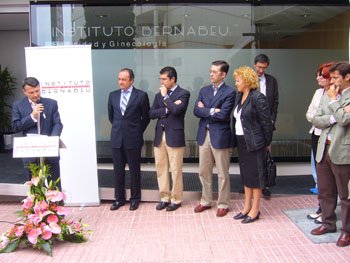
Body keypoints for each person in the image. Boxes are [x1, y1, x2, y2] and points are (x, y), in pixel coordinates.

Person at [311, 62, 350, 247]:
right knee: (325, 191)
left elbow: (346, 119)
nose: (331, 81)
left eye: (335, 77)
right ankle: (327, 223)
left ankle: (347, 231)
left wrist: (335, 105)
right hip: (323, 148)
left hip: (343, 150)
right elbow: (317, 120)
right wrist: (335, 115)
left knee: (345, 195)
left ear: (347, 77)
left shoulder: (335, 96)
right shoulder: (329, 93)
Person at [193, 60, 235, 217]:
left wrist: (206, 110)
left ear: (223, 74)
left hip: (220, 136)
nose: (211, 74)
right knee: (204, 171)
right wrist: (213, 110)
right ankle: (205, 201)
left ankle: (223, 204)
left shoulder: (230, 92)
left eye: (214, 72)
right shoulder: (204, 90)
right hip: (204, 134)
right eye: (210, 71)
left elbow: (224, 115)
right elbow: (196, 111)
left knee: (223, 173)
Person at [232, 66, 273, 224]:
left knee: (256, 177)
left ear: (247, 81)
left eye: (238, 80)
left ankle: (255, 209)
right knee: (246, 176)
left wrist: (265, 143)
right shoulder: (239, 96)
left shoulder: (258, 97)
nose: (236, 83)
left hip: (255, 143)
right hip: (242, 141)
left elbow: (267, 124)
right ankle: (246, 207)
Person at [108, 68, 150, 211]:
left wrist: (137, 131)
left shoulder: (141, 96)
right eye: (119, 79)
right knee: (118, 171)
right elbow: (111, 117)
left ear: (131, 80)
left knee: (134, 171)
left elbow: (146, 117)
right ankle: (119, 199)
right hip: (117, 138)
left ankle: (135, 199)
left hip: (133, 138)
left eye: (124, 79)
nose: (120, 82)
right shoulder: (113, 95)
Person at [149, 66, 190, 212]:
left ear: (173, 79)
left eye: (164, 79)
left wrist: (166, 98)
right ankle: (164, 197)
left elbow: (178, 111)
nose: (162, 81)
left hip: (175, 135)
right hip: (160, 135)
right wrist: (167, 109)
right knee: (161, 169)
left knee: (176, 169)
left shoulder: (183, 93)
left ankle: (176, 199)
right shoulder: (158, 94)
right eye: (160, 79)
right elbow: (151, 113)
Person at [12, 77, 63, 189]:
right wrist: (32, 116)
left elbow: (58, 124)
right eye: (31, 92)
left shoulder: (51, 103)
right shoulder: (18, 105)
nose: (35, 95)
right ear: (24, 92)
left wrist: (52, 140)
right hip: (30, 152)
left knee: (54, 185)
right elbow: (16, 126)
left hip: (49, 151)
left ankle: (56, 206)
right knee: (35, 187)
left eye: (37, 91)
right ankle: (37, 206)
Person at [305, 62, 334, 223]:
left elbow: (333, 118)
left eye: (321, 75)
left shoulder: (335, 94)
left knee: (328, 173)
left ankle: (327, 210)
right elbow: (310, 113)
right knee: (318, 170)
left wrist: (320, 120)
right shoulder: (318, 92)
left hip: (329, 136)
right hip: (316, 133)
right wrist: (319, 120)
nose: (318, 78)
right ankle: (321, 207)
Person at [254, 54, 279, 198]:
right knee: (250, 156)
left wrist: (272, 120)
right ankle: (249, 184)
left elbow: (275, 102)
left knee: (265, 154)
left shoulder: (272, 81)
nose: (261, 70)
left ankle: (264, 185)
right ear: (254, 65)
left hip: (266, 124)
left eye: (264, 67)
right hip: (250, 124)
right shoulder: (247, 80)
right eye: (259, 67)